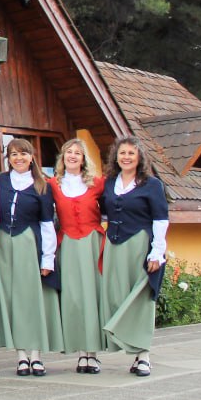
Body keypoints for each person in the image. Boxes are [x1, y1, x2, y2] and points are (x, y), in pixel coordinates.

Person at [0, 138, 63, 376]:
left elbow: (47, 223)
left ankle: (36, 355)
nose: (18, 158)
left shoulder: (43, 185)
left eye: (23, 154)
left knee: (32, 299)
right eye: (13, 154)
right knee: (12, 298)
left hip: (30, 243)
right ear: (8, 158)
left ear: (32, 157)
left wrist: (47, 258)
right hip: (3, 244)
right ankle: (21, 355)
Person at [100, 136, 169, 377]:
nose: (126, 157)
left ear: (139, 157)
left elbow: (161, 219)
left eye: (131, 153)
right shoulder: (109, 183)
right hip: (114, 245)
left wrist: (157, 252)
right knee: (117, 296)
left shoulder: (151, 185)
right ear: (115, 157)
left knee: (140, 299)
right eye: (122, 153)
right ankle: (126, 345)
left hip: (140, 243)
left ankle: (143, 356)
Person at [49, 138, 108, 374]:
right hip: (68, 245)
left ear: (84, 159)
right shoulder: (54, 184)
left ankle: (92, 353)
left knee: (90, 296)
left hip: (92, 243)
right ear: (63, 157)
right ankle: (80, 352)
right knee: (73, 298)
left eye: (78, 153)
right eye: (68, 152)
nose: (73, 156)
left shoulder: (98, 184)